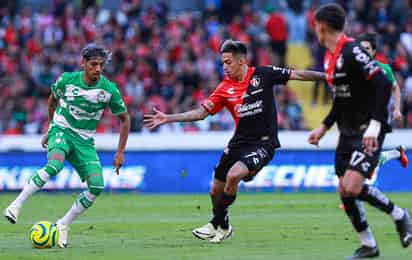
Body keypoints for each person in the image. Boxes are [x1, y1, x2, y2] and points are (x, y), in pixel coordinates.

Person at [144, 39, 326, 243]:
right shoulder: (224, 88)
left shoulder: (263, 74)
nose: (224, 67)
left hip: (263, 143)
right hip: (238, 142)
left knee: (233, 176)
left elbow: (299, 74)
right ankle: (224, 225)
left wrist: (328, 77)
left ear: (241, 61)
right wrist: (169, 118)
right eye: (222, 62)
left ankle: (214, 223)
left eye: (228, 62)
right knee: (215, 190)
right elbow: (201, 113)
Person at [308, 4, 412, 259]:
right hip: (347, 131)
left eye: (315, 25)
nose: (314, 30)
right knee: (344, 190)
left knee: (352, 186)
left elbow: (384, 83)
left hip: (369, 130)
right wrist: (324, 126)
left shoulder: (352, 51)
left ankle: (400, 215)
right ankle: (369, 245)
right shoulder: (329, 57)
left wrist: (376, 125)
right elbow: (341, 98)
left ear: (322, 27)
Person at [3, 43, 130, 248]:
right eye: (93, 64)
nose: (98, 69)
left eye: (101, 65)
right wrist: (51, 128)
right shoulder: (66, 80)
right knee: (55, 165)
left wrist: (120, 152)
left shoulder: (108, 90)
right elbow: (52, 101)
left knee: (97, 185)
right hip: (61, 130)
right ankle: (16, 205)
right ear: (83, 63)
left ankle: (63, 224)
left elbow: (125, 119)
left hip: (85, 141)